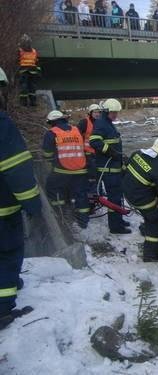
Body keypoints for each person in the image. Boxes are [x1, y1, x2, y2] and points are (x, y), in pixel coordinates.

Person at [0, 67, 41, 330]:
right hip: (3, 212)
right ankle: (3, 308)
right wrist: (32, 203)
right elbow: (17, 168)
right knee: (7, 254)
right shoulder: (2, 125)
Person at [123, 136, 158, 262]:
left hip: (127, 191)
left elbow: (125, 170)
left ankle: (146, 227)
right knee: (154, 221)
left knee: (150, 216)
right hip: (141, 199)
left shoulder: (137, 154)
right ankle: (150, 255)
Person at [89, 98, 130, 234]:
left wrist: (120, 158)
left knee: (117, 196)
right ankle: (115, 227)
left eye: (116, 113)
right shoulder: (101, 123)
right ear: (106, 112)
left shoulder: (108, 123)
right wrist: (111, 152)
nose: (115, 115)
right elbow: (94, 142)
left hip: (114, 167)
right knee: (114, 198)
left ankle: (118, 220)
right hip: (108, 169)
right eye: (113, 113)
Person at [42, 111, 89, 229]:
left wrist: (53, 159)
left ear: (52, 122)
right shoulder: (76, 130)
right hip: (81, 170)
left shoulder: (52, 133)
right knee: (81, 195)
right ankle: (83, 221)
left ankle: (61, 215)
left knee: (52, 188)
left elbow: (47, 154)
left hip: (62, 172)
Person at [77, 104, 100, 192]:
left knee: (98, 175)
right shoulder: (84, 122)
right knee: (92, 176)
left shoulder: (101, 122)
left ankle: (99, 192)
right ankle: (92, 193)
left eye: (98, 112)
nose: (97, 114)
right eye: (95, 112)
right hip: (88, 154)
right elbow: (77, 136)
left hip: (99, 153)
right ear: (90, 113)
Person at [18, 34, 40, 107]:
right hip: (33, 71)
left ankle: (23, 103)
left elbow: (16, 60)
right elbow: (37, 62)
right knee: (32, 87)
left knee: (24, 86)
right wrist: (39, 72)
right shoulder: (34, 51)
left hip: (24, 71)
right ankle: (33, 102)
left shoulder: (20, 50)